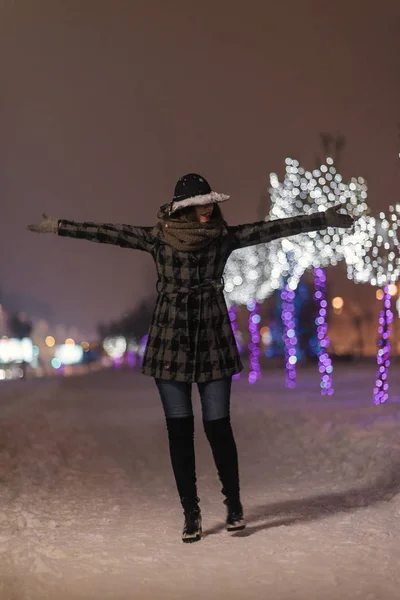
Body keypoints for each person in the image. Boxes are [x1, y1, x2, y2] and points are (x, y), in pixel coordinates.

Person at [28, 173, 354, 543]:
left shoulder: (223, 237)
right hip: (171, 342)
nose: (209, 210)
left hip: (213, 339)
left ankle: (233, 505)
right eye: (202, 205)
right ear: (184, 209)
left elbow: (271, 230)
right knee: (179, 431)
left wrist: (322, 219)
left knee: (218, 427)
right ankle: (191, 513)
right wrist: (58, 226)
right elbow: (109, 232)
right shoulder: (158, 237)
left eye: (211, 203)